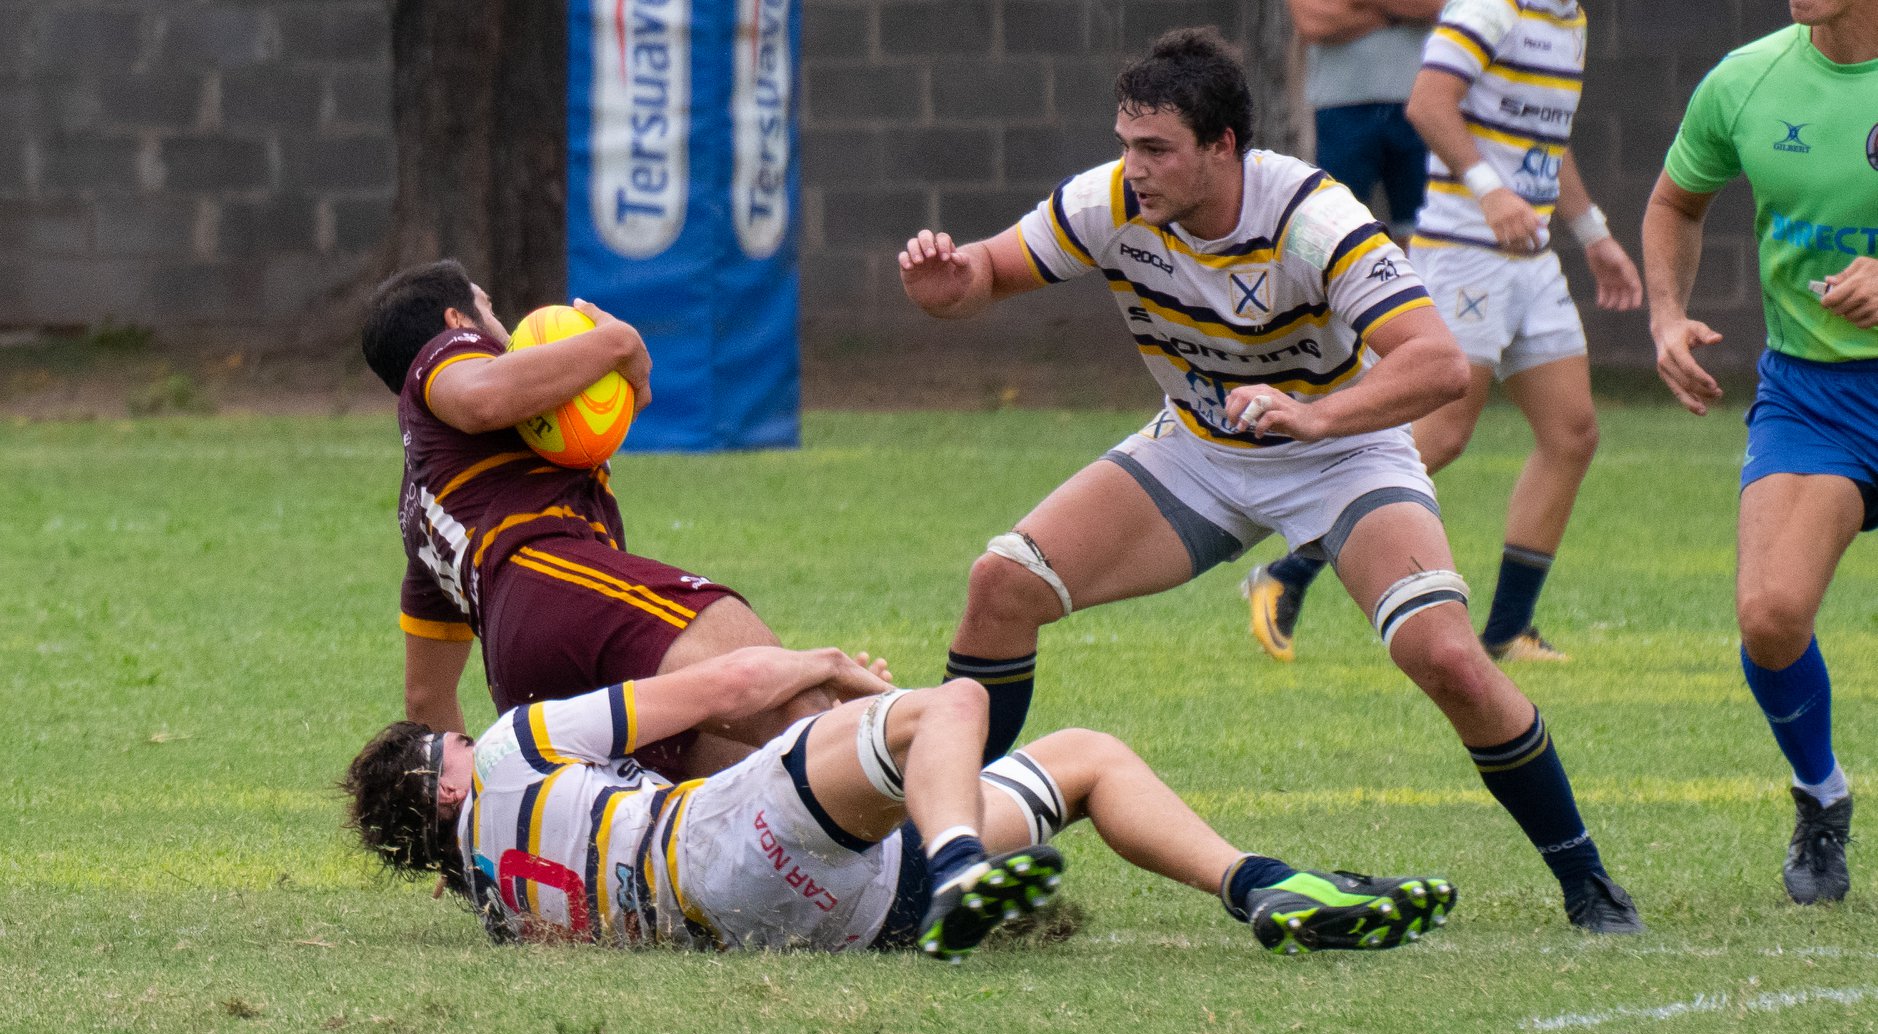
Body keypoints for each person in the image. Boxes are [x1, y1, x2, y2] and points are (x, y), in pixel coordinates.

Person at [898, 27, 1642, 932]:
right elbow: (988, 270)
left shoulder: (1312, 219)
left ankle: (1587, 880)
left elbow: (1440, 366)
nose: (1135, 169)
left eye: (1157, 149)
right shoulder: (1110, 201)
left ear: (1223, 147)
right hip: (1200, 452)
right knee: (1002, 585)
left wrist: (1318, 416)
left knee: (1446, 657)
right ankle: (941, 855)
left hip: (1340, 455)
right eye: (1128, 145)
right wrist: (950, 283)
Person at [343, 644, 1458, 959]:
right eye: (443, 742)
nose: (462, 738)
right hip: (719, 844)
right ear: (444, 775)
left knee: (1084, 757)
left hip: (821, 921)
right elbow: (722, 686)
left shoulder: (493, 907)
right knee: (948, 706)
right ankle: (965, 864)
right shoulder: (503, 750)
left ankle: (1263, 887)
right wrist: (831, 671)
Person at [1247, 0, 1643, 665]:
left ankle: (1508, 629)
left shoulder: (1567, 18)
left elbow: (1546, 144)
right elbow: (1429, 104)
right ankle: (1286, 573)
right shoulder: (1490, 7)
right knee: (1442, 434)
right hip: (1464, 252)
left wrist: (1595, 235)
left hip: (1530, 256)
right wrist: (1491, 192)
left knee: (1572, 434)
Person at [360, 260, 819, 780]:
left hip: (524, 678)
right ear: (458, 322)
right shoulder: (447, 354)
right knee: (794, 702)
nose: (505, 329)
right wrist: (618, 344)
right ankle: (918, 803)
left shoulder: (423, 506)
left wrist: (463, 835)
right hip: (555, 583)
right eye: (489, 308)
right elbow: (482, 397)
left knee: (743, 788)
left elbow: (426, 696)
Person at [1642, 0, 1878, 904]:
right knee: (1770, 615)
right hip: (1813, 396)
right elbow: (1673, 202)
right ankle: (1823, 798)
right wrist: (1666, 317)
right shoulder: (1746, 80)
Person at [1287, 0, 1443, 243]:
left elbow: (1440, 6)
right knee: (1337, 232)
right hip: (1339, 108)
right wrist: (1397, 16)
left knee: (1423, 233)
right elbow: (1312, 22)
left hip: (1421, 104)